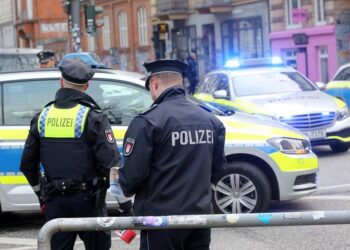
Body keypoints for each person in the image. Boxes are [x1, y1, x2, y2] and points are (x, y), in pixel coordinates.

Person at [118, 59, 227, 250]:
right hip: (200, 217)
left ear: (155, 83)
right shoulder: (210, 120)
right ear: (181, 83)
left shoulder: (148, 122)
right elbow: (218, 171)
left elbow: (131, 178)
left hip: (161, 220)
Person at [20, 58, 124, 250]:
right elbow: (112, 166)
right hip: (90, 202)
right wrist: (125, 205)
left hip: (55, 202)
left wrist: (41, 195)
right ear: (87, 86)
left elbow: (27, 165)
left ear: (61, 82)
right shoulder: (93, 117)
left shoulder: (42, 117)